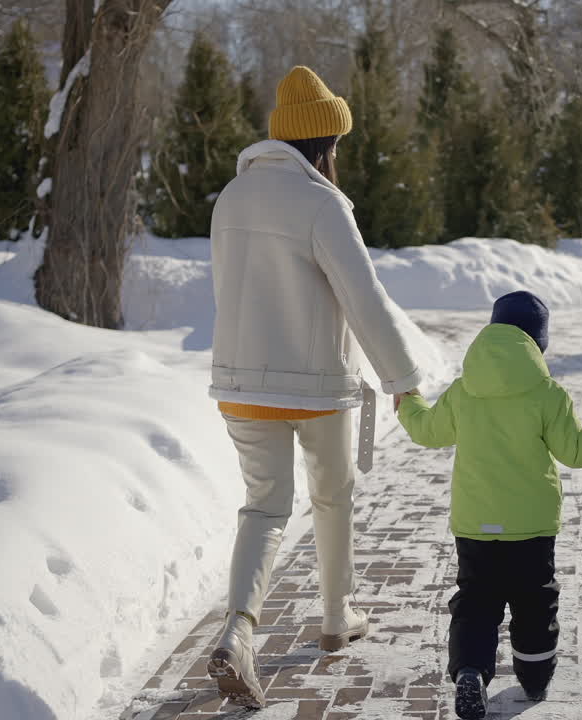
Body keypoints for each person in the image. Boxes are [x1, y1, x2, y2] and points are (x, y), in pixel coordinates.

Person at [206, 65, 425, 709]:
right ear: (324, 146)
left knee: (264, 508)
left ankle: (238, 631)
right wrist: (403, 379)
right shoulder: (323, 203)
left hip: (241, 384)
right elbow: (365, 298)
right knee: (332, 498)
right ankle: (337, 616)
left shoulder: (231, 197)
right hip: (317, 388)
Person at [396, 291, 582, 720]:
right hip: (531, 528)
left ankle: (470, 670)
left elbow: (427, 432)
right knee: (534, 601)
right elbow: (578, 451)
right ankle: (535, 676)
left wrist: (409, 402)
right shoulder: (547, 394)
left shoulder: (462, 393)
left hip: (474, 526)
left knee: (475, 601)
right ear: (536, 343)